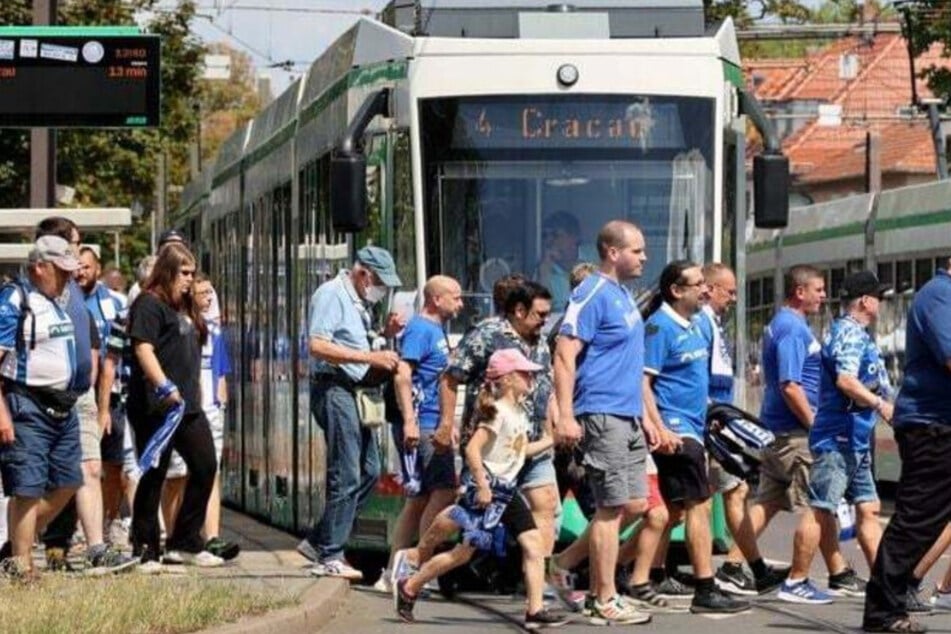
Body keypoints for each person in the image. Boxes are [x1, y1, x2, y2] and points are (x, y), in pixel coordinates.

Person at [393, 348, 569, 629]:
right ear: (508, 379)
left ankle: (535, 611)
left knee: (534, 544)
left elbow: (519, 452)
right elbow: (473, 450)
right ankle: (410, 585)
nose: (531, 378)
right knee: (463, 554)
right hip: (488, 492)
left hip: (507, 492)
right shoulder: (496, 412)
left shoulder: (519, 413)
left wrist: (551, 439)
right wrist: (483, 484)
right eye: (525, 374)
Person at [548, 220, 668, 625]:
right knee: (611, 508)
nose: (645, 257)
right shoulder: (592, 292)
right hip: (601, 412)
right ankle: (604, 597)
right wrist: (566, 414)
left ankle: (563, 563)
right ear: (613, 253)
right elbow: (564, 354)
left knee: (635, 505)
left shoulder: (623, 295)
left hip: (627, 415)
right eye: (637, 250)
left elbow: (630, 365)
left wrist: (646, 417)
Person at [748, 265, 861, 604]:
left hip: (780, 428)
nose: (824, 296)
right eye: (819, 289)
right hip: (795, 432)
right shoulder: (792, 328)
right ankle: (802, 580)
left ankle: (734, 566)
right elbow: (790, 385)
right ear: (800, 292)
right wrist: (815, 424)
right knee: (819, 505)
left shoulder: (784, 324)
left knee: (768, 501)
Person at [641, 261, 748, 613]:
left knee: (672, 512)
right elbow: (644, 383)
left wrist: (712, 415)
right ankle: (705, 588)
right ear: (676, 290)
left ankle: (637, 573)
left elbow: (698, 380)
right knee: (698, 504)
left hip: (696, 425)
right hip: (675, 428)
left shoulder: (700, 324)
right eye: (698, 284)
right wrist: (659, 427)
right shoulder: (659, 327)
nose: (706, 289)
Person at [433, 279, 561, 562]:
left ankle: (538, 577)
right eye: (540, 314)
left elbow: (546, 386)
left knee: (546, 502)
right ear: (519, 310)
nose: (545, 320)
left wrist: (556, 424)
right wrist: (446, 423)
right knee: (472, 519)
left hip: (530, 443)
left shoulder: (540, 341)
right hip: (492, 445)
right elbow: (451, 377)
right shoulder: (487, 334)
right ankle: (422, 556)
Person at [299, 246, 405, 580]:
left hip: (354, 389)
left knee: (369, 470)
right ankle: (330, 553)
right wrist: (369, 359)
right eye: (379, 283)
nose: (381, 290)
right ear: (363, 274)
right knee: (346, 472)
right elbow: (317, 345)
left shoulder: (360, 302)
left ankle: (320, 539)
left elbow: (357, 343)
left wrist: (384, 336)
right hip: (334, 387)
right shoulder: (331, 294)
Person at [788, 271, 892, 603]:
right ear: (866, 300)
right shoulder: (849, 334)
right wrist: (880, 405)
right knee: (821, 507)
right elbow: (846, 380)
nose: (881, 303)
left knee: (869, 508)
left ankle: (886, 585)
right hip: (839, 438)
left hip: (856, 438)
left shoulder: (854, 333)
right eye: (879, 297)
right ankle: (796, 580)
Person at [863, 259, 951, 633]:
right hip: (932, 428)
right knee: (917, 520)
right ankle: (882, 610)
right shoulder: (940, 296)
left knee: (922, 519)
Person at [128, 243, 221, 569]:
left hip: (189, 407)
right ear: (167, 272)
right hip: (156, 407)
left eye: (192, 273)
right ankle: (145, 547)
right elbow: (143, 349)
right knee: (154, 474)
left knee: (206, 466)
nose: (189, 279)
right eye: (184, 273)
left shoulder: (185, 306)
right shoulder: (148, 304)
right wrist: (163, 385)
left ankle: (184, 541)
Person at [701, 263, 789, 596]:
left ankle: (749, 568)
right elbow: (697, 376)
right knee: (690, 506)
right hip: (711, 424)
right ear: (711, 289)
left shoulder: (713, 323)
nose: (734, 299)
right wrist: (713, 415)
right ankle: (741, 570)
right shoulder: (702, 324)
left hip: (718, 423)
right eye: (730, 291)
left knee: (730, 493)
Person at [0, 236, 84, 579]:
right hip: (27, 405)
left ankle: (12, 549)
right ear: (39, 267)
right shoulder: (16, 299)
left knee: (69, 481)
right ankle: (22, 568)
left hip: (63, 408)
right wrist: (2, 414)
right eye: (61, 271)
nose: (68, 278)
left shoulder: (56, 300)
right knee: (27, 488)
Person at [375, 275, 463, 592]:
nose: (461, 303)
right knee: (444, 491)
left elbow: (437, 380)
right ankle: (418, 566)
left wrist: (448, 422)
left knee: (419, 498)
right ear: (436, 299)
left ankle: (395, 571)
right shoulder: (420, 330)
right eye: (455, 297)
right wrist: (411, 421)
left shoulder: (435, 330)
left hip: (431, 421)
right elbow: (403, 374)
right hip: (422, 423)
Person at [160, 274, 239, 561]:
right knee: (177, 477)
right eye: (202, 293)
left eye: (210, 293)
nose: (208, 298)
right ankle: (173, 537)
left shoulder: (215, 332)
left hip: (210, 411)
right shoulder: (180, 327)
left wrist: (220, 404)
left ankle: (211, 537)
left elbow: (221, 373)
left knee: (209, 472)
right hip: (183, 410)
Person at [75, 246, 137, 572]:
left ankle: (111, 521)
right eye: (78, 266)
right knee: (83, 464)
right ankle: (79, 530)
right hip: (81, 394)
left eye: (87, 267)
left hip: (112, 397)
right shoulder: (68, 301)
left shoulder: (115, 302)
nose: (81, 272)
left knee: (113, 465)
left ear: (97, 269)